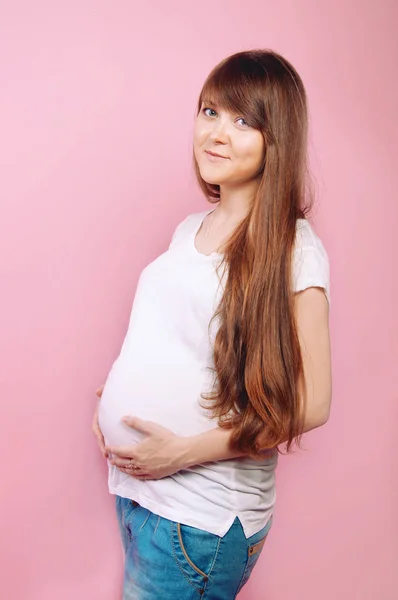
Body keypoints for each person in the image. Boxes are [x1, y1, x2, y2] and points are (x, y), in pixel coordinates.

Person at [92, 48, 332, 599]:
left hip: (196, 521)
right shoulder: (190, 228)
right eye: (210, 112)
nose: (217, 134)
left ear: (278, 139)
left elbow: (313, 403)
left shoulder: (295, 248)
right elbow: (182, 338)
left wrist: (181, 452)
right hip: (140, 498)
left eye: (244, 121)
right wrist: (122, 395)